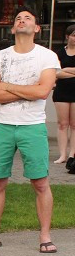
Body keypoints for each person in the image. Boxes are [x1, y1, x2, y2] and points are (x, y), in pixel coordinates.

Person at [0, 7, 61, 255]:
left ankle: (45, 236)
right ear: (12, 28)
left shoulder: (47, 56)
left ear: (36, 28)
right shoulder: (0, 56)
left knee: (41, 183)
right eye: (17, 19)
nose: (21, 21)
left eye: (28, 19)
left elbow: (42, 92)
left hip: (32, 126)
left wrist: (7, 86)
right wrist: (27, 89)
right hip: (2, 125)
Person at [52, 24, 75, 165]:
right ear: (67, 37)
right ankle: (62, 155)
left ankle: (73, 154)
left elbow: (61, 72)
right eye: (73, 35)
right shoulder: (59, 53)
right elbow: (55, 73)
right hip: (61, 93)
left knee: (74, 124)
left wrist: (65, 70)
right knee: (62, 124)